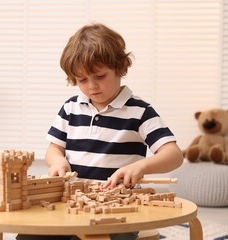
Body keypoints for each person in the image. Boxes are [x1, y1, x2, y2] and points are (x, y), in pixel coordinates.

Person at [17, 22, 183, 240]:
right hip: (71, 202)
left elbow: (174, 155)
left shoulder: (139, 111)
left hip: (119, 207)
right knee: (29, 235)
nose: (91, 86)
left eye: (100, 76)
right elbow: (54, 148)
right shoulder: (71, 107)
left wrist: (140, 166)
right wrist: (57, 161)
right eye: (82, 80)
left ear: (119, 67)